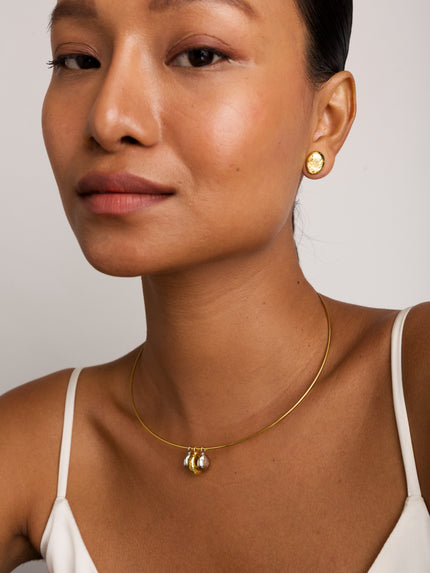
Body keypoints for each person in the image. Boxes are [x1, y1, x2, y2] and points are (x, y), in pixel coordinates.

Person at [1, 0, 429, 571]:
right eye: (77, 60)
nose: (108, 119)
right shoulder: (30, 448)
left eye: (199, 55)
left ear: (326, 119)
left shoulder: (416, 384)